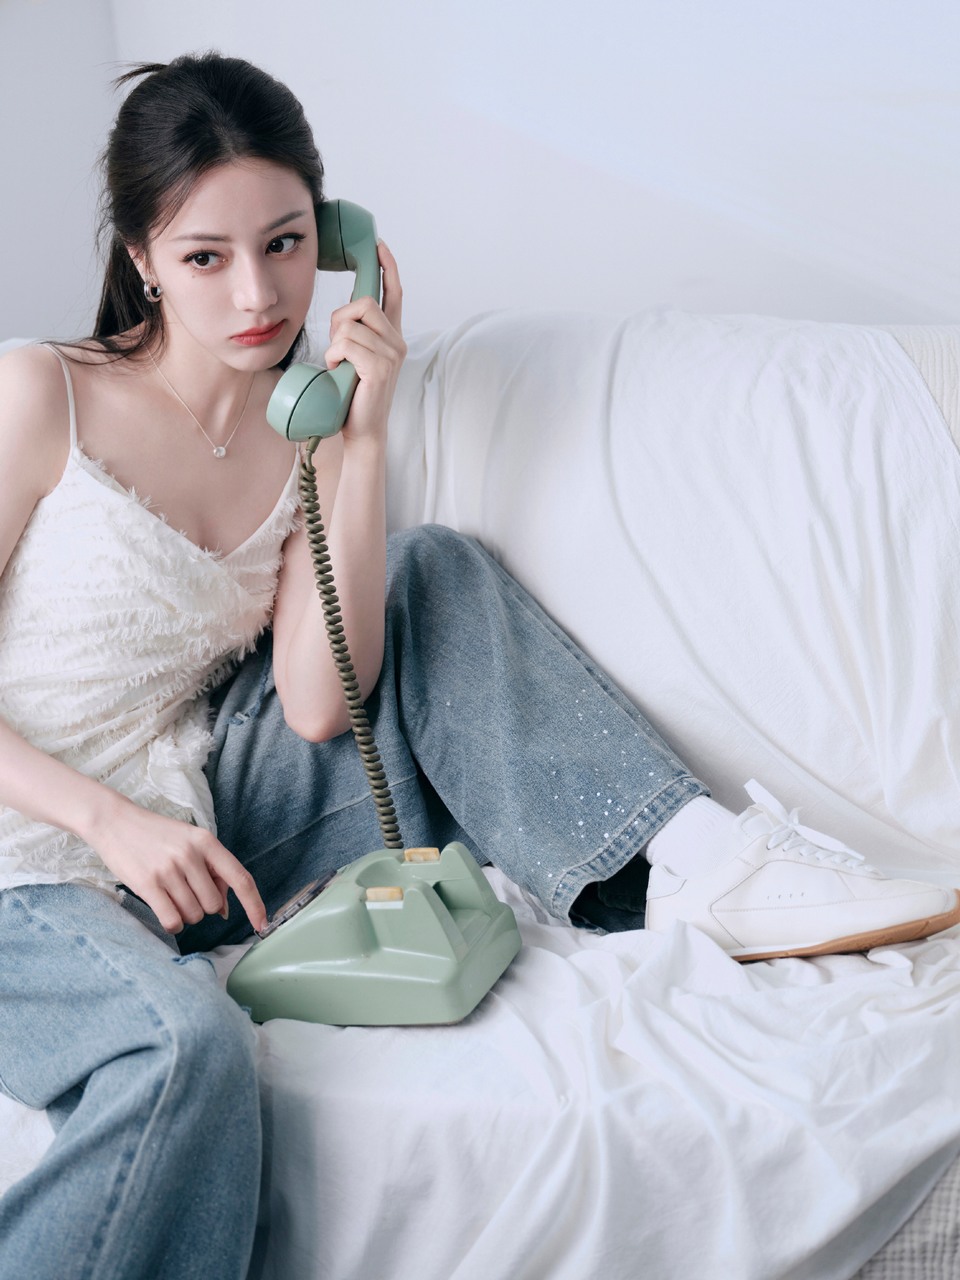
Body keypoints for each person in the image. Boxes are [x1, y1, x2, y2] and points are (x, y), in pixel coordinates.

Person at [0, 51, 956, 1280]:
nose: (256, 292)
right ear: (142, 257)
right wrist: (108, 823)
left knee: (432, 567)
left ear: (334, 236)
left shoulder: (298, 421)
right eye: (205, 257)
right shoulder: (40, 394)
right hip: (34, 856)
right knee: (187, 1048)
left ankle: (707, 863)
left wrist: (358, 441)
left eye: (286, 244)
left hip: (204, 837)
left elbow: (319, 703)